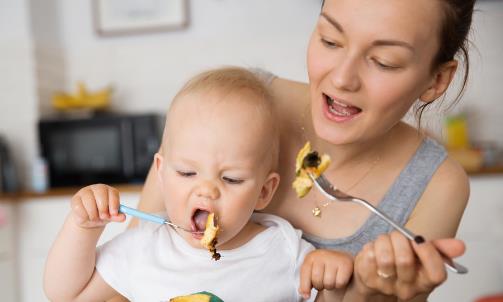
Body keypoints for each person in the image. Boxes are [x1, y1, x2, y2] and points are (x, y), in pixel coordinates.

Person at [133, 0, 476, 301]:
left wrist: (367, 296)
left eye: (384, 61)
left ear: (436, 81)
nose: (342, 78)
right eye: (330, 40)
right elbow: (124, 279)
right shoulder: (229, 106)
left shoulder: (435, 185)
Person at [43, 67, 354, 302]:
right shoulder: (146, 247)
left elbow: (328, 291)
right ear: (161, 174)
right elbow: (64, 294)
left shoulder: (283, 251)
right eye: (187, 173)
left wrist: (331, 274)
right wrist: (83, 227)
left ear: (264, 191)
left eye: (231, 178)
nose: (206, 190)